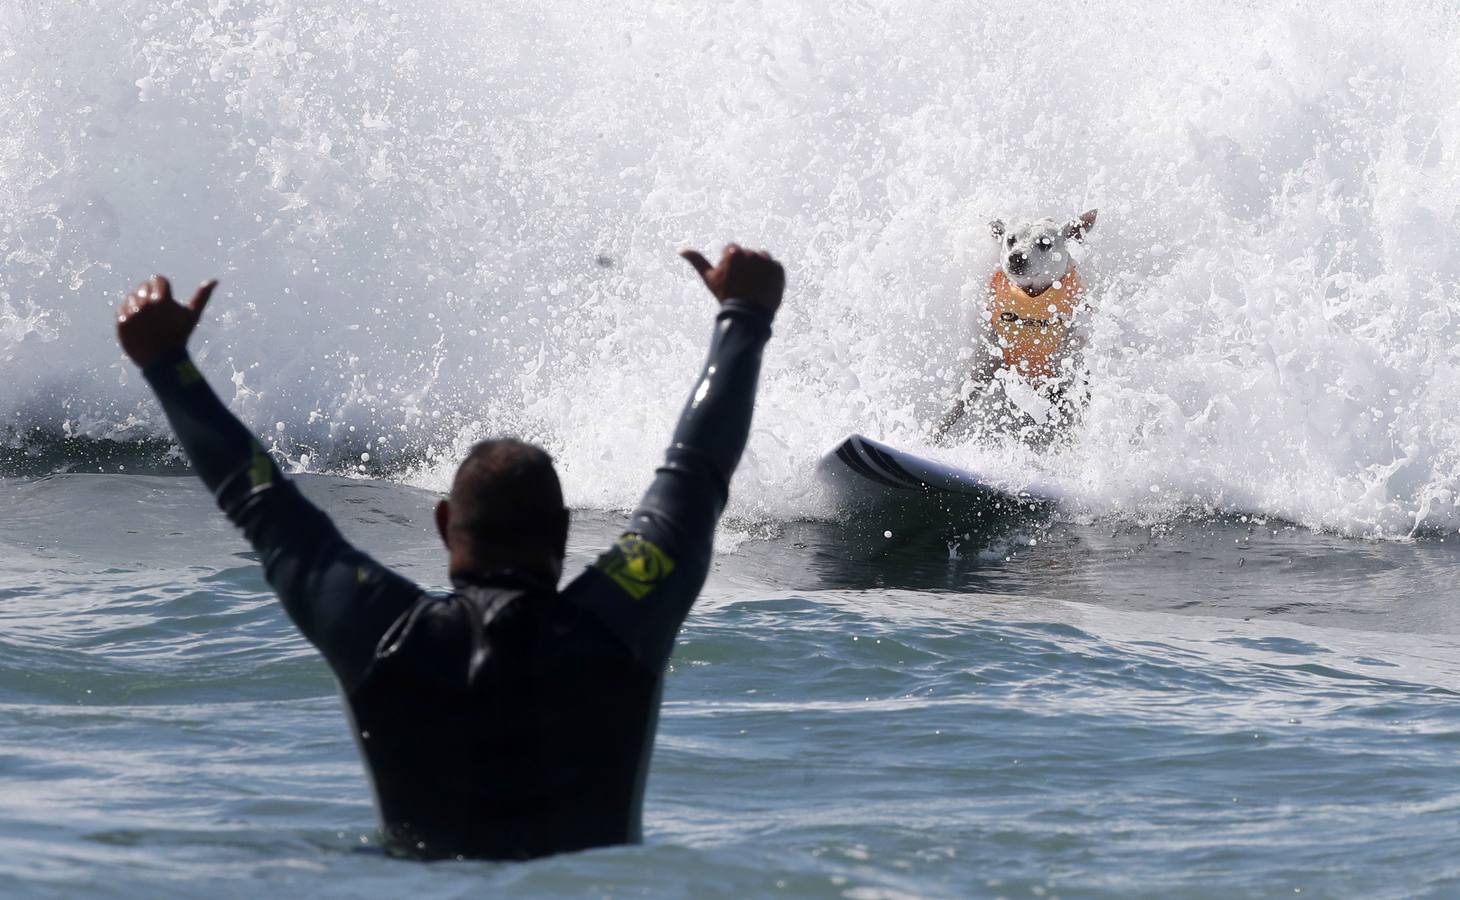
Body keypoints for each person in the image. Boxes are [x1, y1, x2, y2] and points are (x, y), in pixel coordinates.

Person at [114, 244, 784, 860]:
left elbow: (262, 503)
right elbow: (695, 476)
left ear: (443, 524)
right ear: (563, 530)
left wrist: (167, 366)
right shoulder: (620, 619)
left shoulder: (382, 632)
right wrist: (743, 315)